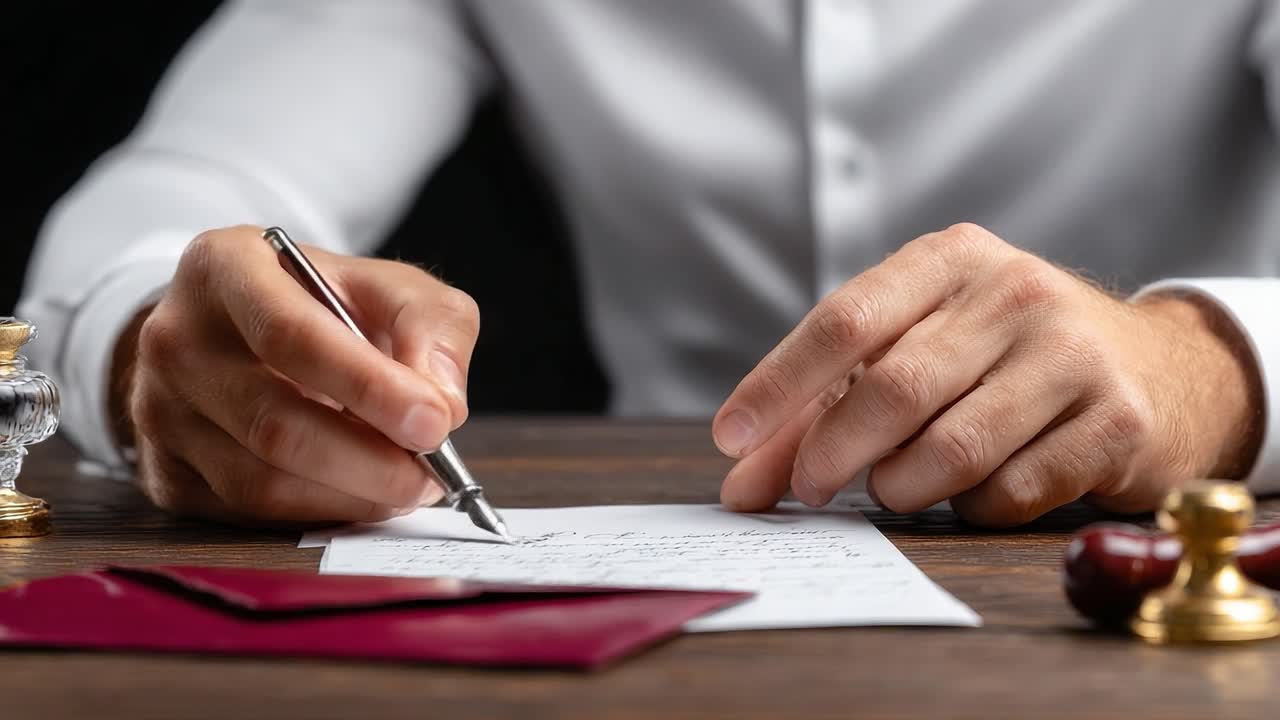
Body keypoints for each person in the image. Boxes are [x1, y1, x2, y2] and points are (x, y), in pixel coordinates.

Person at [19, 0, 1280, 527]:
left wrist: (1205, 369)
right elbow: (181, 190)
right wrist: (156, 345)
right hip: (651, 625)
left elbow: (1208, 374)